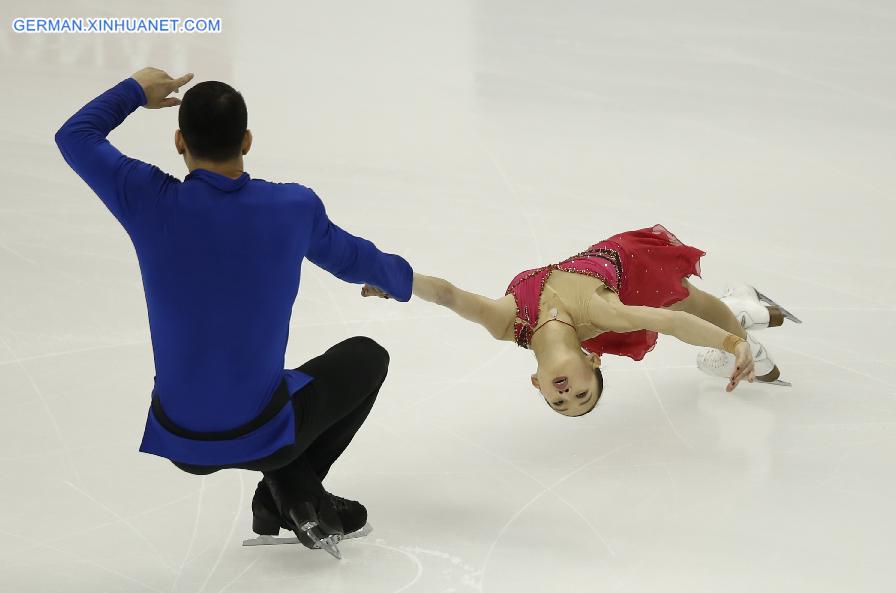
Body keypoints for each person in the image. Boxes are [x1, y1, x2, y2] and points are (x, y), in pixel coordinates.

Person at [54, 67, 412, 558]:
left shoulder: (147, 200)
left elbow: (74, 135)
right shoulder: (291, 207)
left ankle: (284, 498)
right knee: (366, 357)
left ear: (179, 141)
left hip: (180, 434)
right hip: (261, 433)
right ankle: (290, 493)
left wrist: (135, 90)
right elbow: (357, 260)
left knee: (264, 383)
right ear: (246, 140)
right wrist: (396, 279)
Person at [363, 224, 800, 416]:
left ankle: (741, 313)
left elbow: (447, 295)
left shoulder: (506, 322)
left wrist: (395, 279)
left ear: (537, 384)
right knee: (684, 303)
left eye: (560, 403)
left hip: (606, 269)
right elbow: (671, 326)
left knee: (682, 302)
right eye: (582, 396)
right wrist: (731, 344)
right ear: (593, 363)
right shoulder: (603, 314)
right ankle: (741, 324)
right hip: (629, 267)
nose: (568, 397)